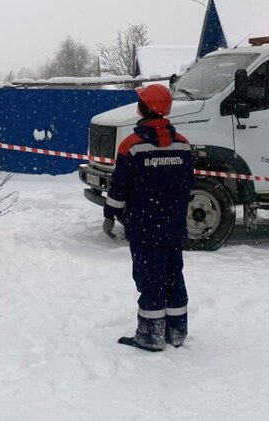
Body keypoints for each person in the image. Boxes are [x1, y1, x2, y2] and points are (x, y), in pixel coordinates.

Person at [103, 83, 194, 351]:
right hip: (174, 226)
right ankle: (177, 331)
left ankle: (150, 336)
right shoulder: (183, 145)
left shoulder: (131, 146)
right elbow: (188, 185)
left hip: (144, 227)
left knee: (150, 279)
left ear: (144, 108)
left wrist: (112, 213)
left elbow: (120, 187)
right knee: (174, 277)